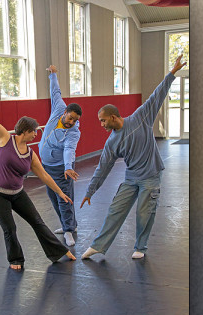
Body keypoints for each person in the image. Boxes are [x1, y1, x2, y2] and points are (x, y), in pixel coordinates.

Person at [0, 79, 76, 270]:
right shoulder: (4, 138)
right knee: (10, 228)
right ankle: (16, 259)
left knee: (37, 222)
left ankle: (59, 251)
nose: (36, 135)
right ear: (26, 131)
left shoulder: (30, 154)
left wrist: (60, 193)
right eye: (34, 132)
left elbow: (45, 176)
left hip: (17, 194)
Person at [80, 55, 187, 260]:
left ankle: (141, 247)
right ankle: (98, 246)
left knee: (144, 213)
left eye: (103, 121)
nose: (101, 125)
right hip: (131, 178)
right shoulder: (112, 142)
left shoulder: (140, 117)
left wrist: (172, 74)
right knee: (115, 210)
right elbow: (102, 168)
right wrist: (90, 191)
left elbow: (157, 96)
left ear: (113, 117)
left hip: (151, 176)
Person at [38, 65, 82, 247]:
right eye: (70, 118)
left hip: (60, 169)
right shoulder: (58, 109)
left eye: (75, 120)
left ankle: (69, 230)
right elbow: (55, 92)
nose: (71, 122)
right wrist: (53, 75)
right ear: (65, 113)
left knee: (64, 199)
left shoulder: (73, 133)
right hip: (45, 167)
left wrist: (68, 167)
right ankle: (67, 225)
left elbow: (69, 149)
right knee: (53, 197)